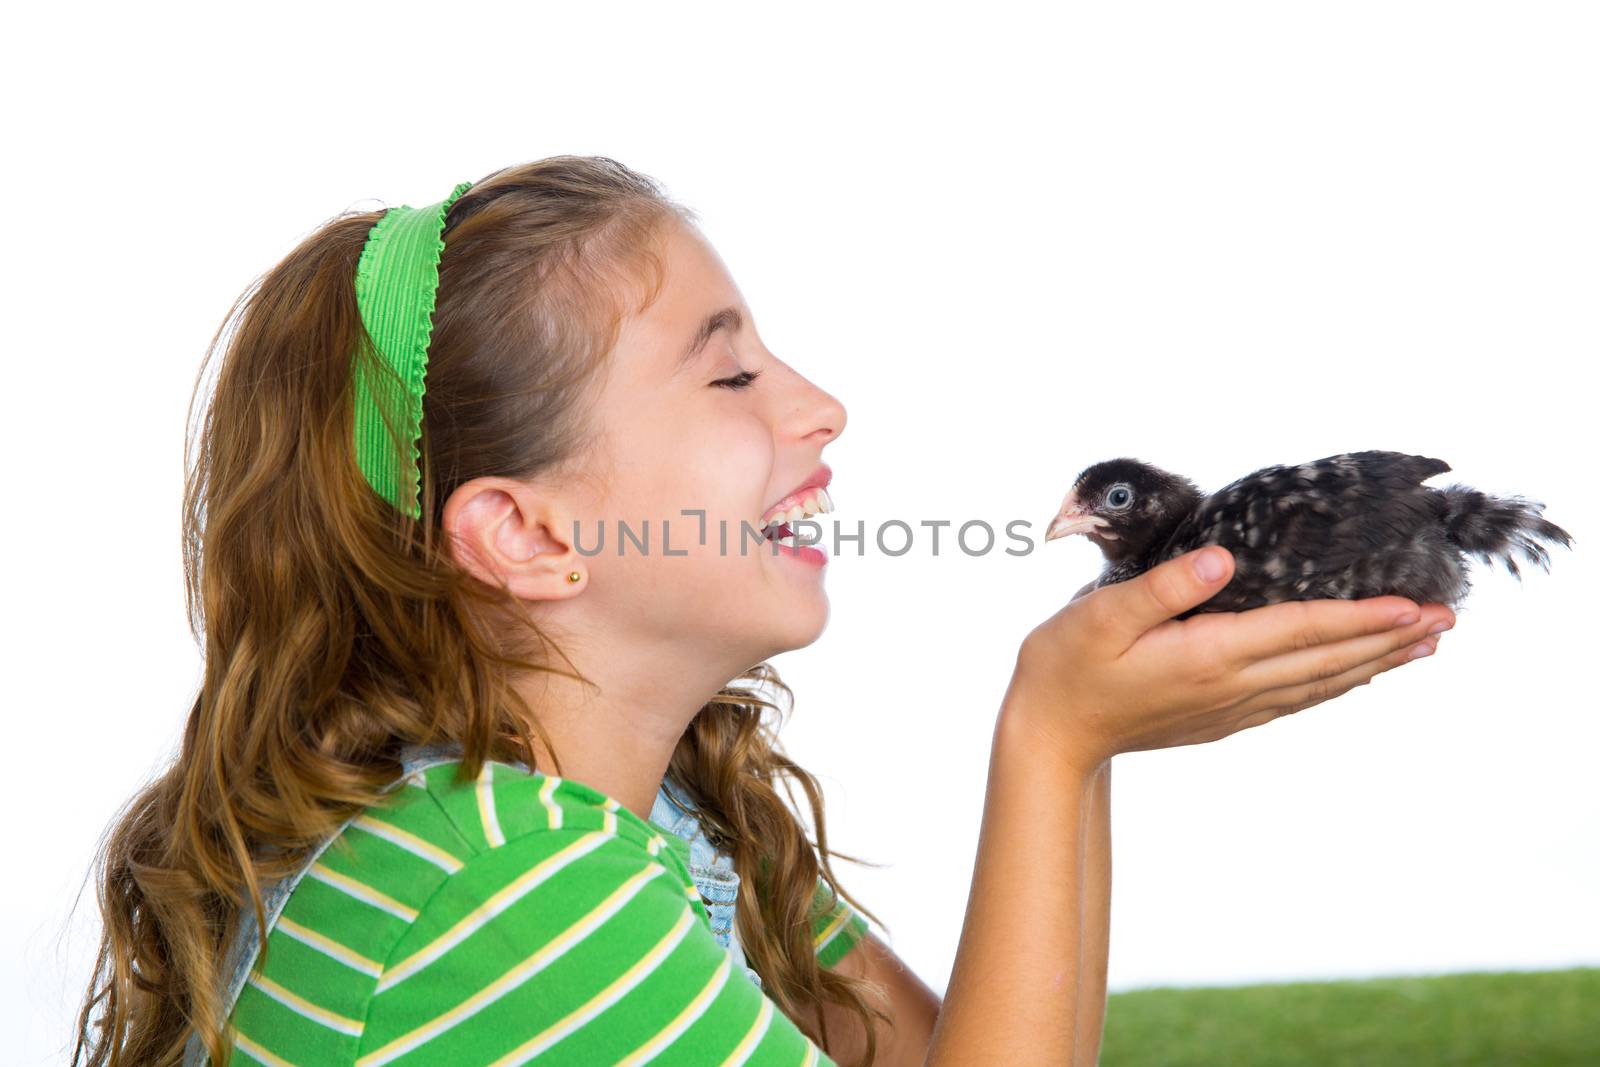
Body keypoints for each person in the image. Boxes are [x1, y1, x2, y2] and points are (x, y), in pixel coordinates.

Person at [72, 155, 1455, 1067]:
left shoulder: (668, 813)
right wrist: (1051, 740)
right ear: (528, 536)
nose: (821, 406)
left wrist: (1082, 741)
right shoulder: (497, 884)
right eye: (729, 379)